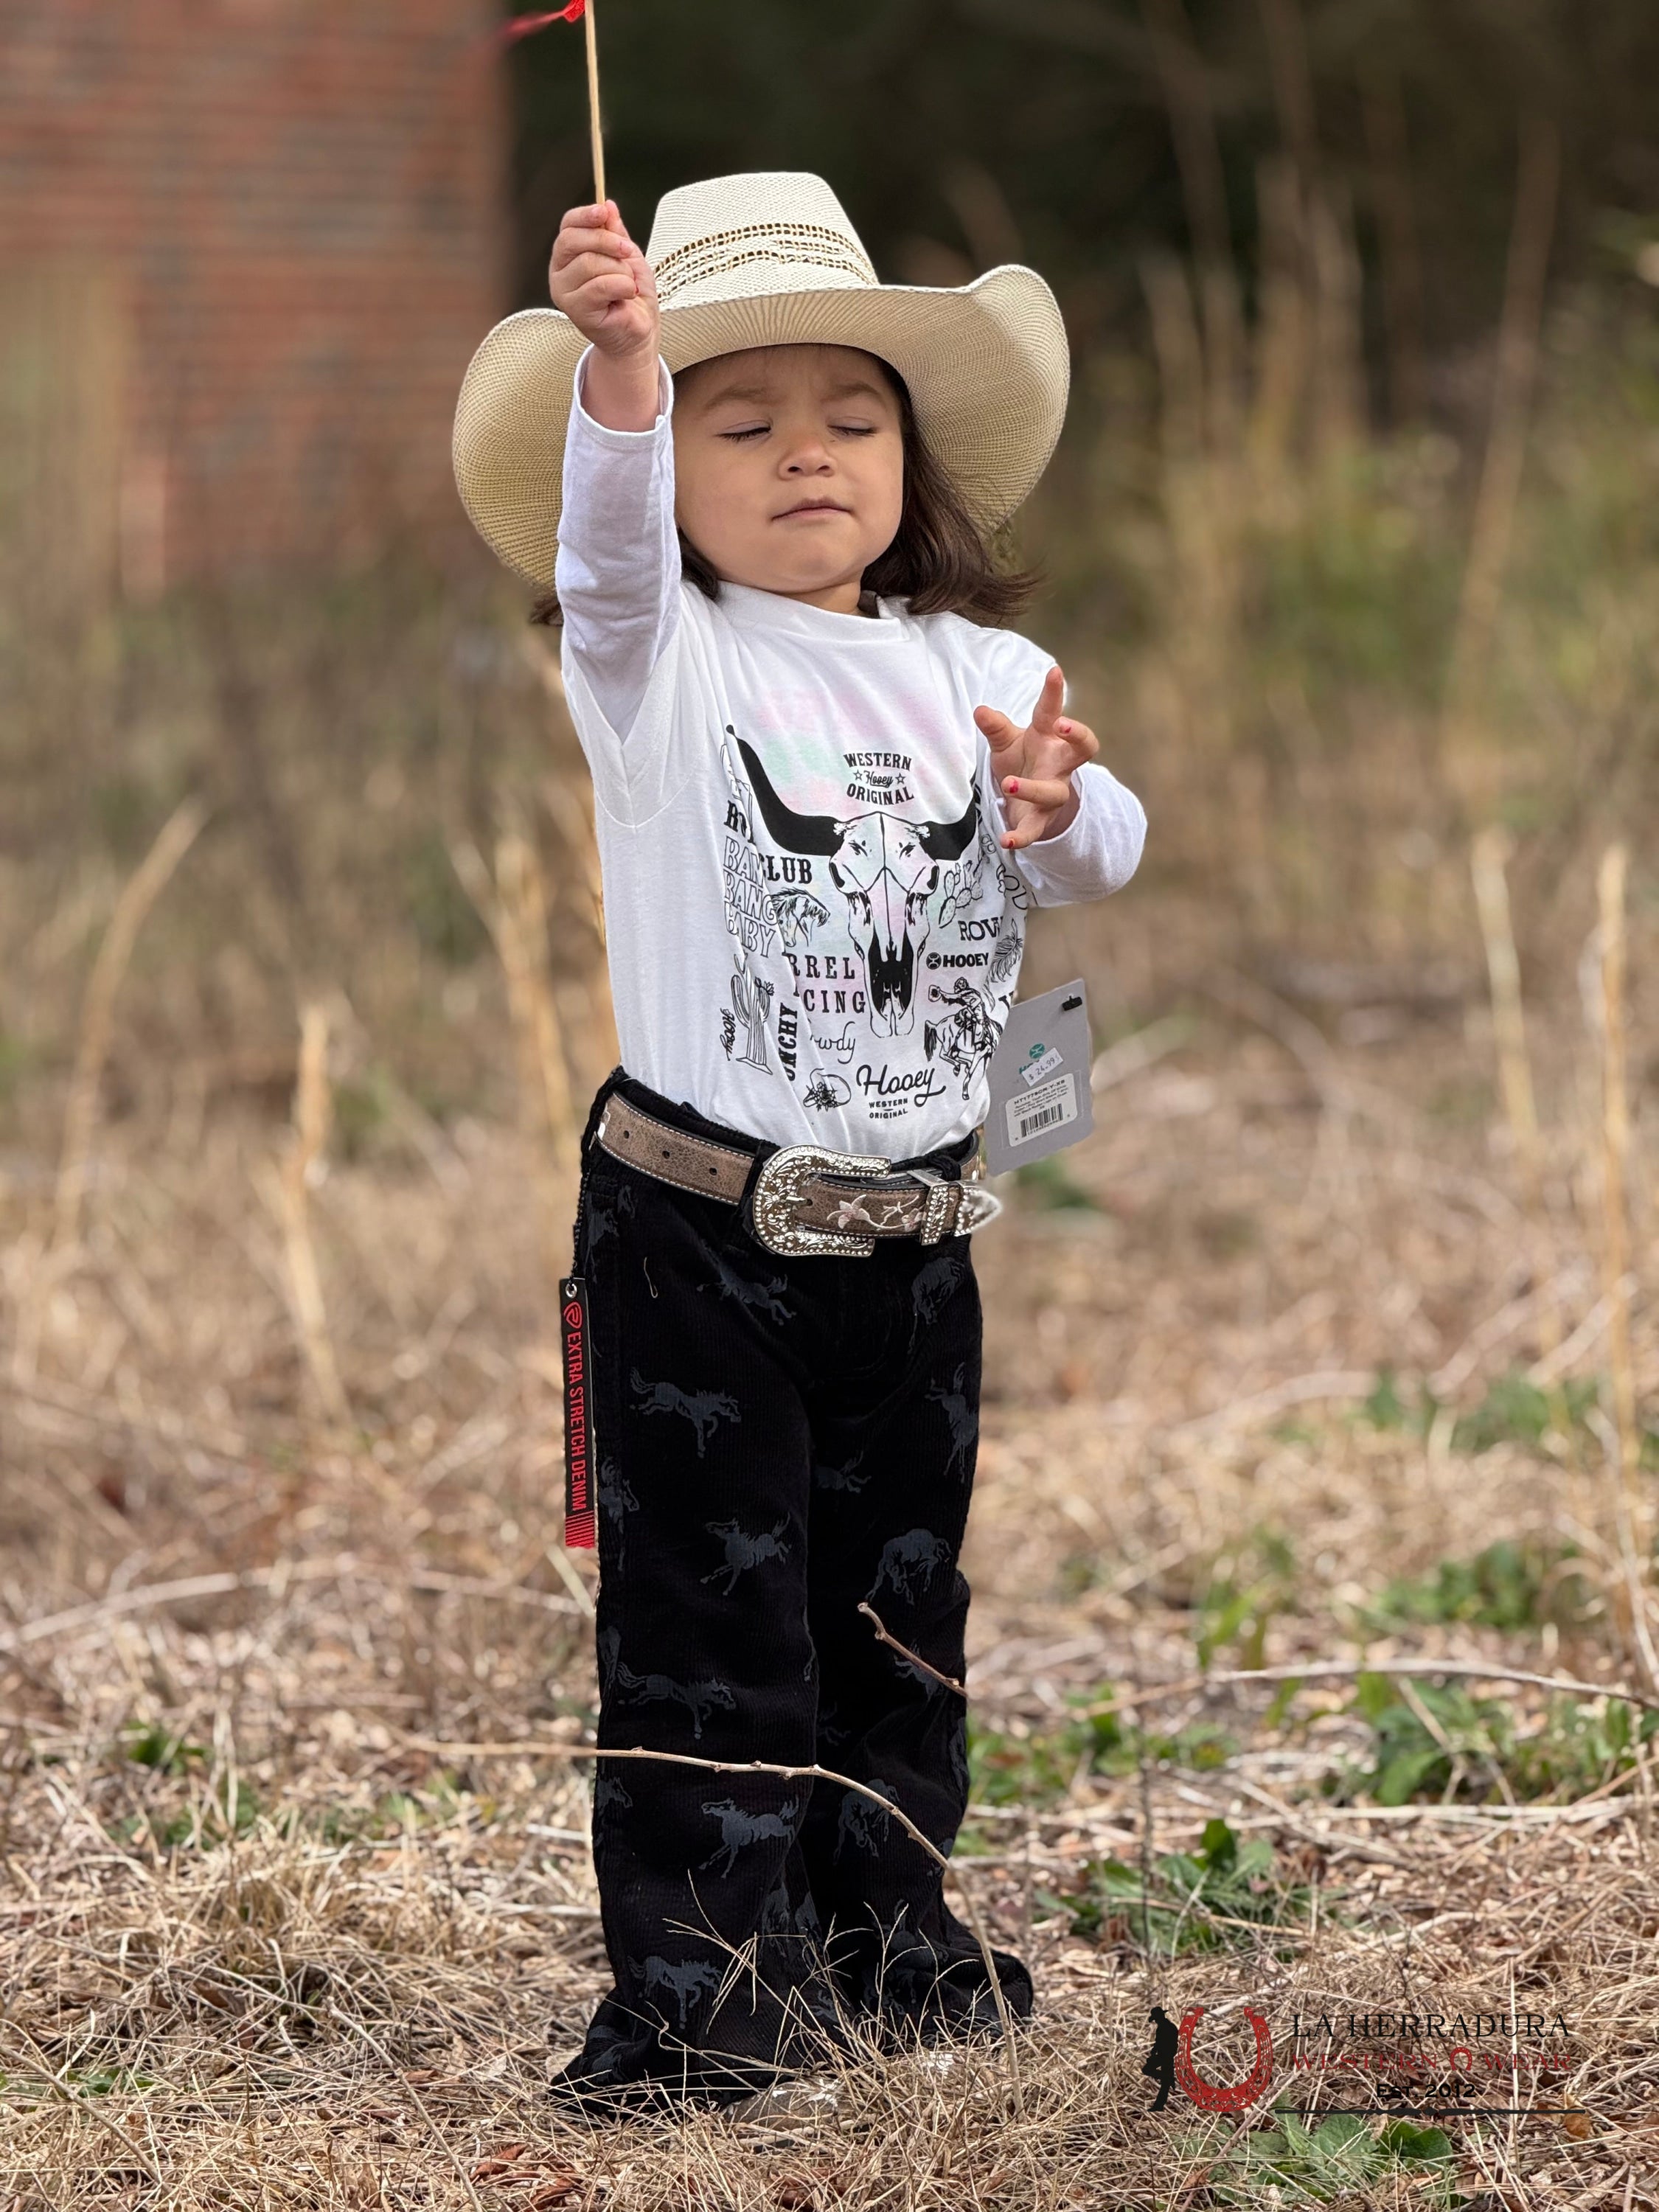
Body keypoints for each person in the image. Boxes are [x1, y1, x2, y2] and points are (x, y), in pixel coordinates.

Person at [452, 172, 1147, 2113]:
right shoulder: (657, 668)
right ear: (669, 475)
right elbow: (603, 562)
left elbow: (1103, 849)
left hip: (916, 1239)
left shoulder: (970, 673)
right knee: (707, 1629)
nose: (802, 458)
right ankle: (701, 2004)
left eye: (847, 417)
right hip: (702, 1242)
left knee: (897, 1612)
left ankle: (885, 1944)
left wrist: (1051, 810)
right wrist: (616, 369)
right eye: (734, 425)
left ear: (913, 456)